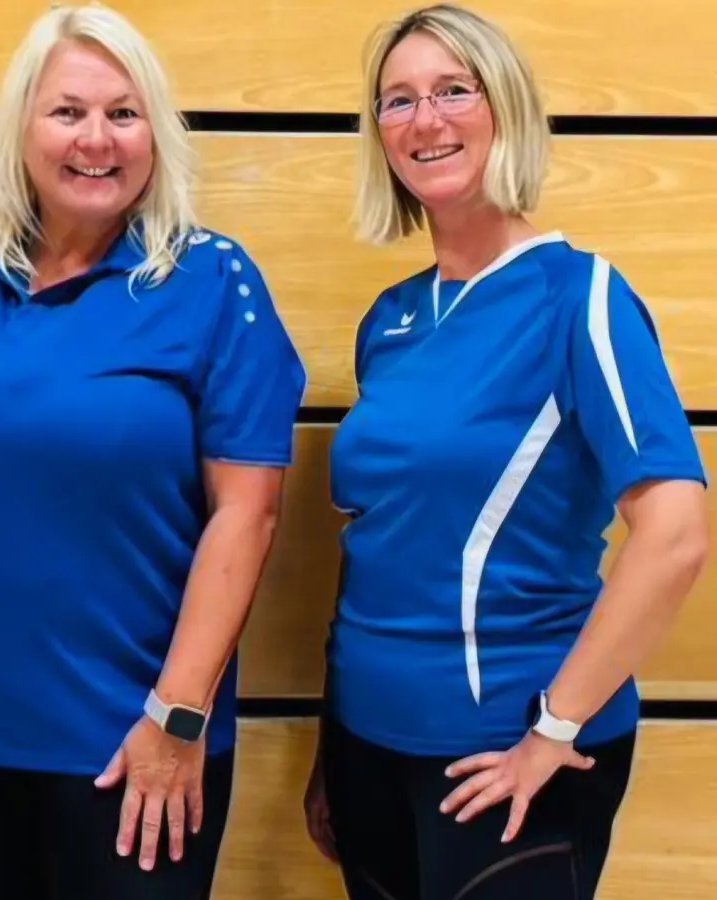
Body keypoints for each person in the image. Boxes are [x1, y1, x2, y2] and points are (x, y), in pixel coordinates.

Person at [0, 5, 306, 899]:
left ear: (157, 132)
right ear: (21, 129)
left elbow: (248, 513)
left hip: (133, 748)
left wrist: (177, 719)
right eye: (68, 111)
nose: (97, 139)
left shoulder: (210, 280)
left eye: (125, 112)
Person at [302, 6, 710, 899]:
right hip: (367, 744)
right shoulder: (392, 320)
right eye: (399, 100)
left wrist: (555, 733)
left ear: (507, 109)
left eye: (455, 89)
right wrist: (332, 747)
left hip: (504, 753)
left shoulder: (582, 297)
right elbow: (379, 538)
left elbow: (677, 533)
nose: (426, 119)